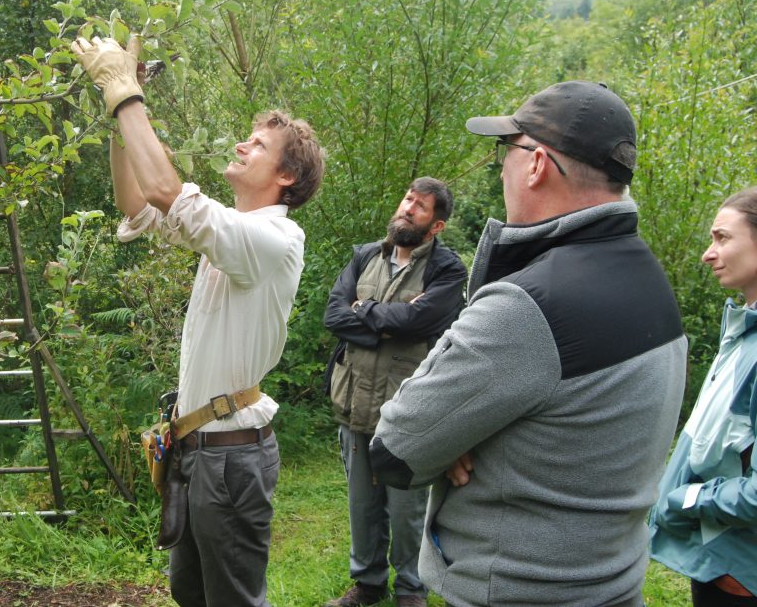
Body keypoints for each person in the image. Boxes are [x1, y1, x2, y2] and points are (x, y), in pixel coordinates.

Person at [369, 81, 687, 606]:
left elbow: (396, 450)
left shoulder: (529, 304)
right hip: (612, 584)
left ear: (536, 163)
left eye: (506, 151)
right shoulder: (650, 280)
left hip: (517, 590)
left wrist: (454, 434)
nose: (502, 169)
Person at [72, 35, 325, 607]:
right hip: (197, 452)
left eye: (257, 144)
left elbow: (167, 189)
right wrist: (120, 117)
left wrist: (126, 93)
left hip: (232, 459)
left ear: (285, 176)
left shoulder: (273, 239)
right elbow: (138, 202)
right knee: (190, 595)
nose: (241, 145)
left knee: (233, 600)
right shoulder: (229, 238)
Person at [323, 178, 467, 607]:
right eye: (407, 199)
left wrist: (363, 312)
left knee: (407, 511)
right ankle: (367, 584)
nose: (408, 209)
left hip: (408, 410)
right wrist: (389, 321)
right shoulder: (365, 255)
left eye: (420, 207)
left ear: (436, 225)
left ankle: (410, 588)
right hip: (354, 403)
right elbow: (334, 315)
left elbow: (421, 324)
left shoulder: (447, 269)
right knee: (362, 506)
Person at [650, 187, 757, 607]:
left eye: (723, 238)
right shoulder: (743, 333)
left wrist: (686, 499)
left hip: (740, 577)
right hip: (718, 565)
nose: (708, 254)